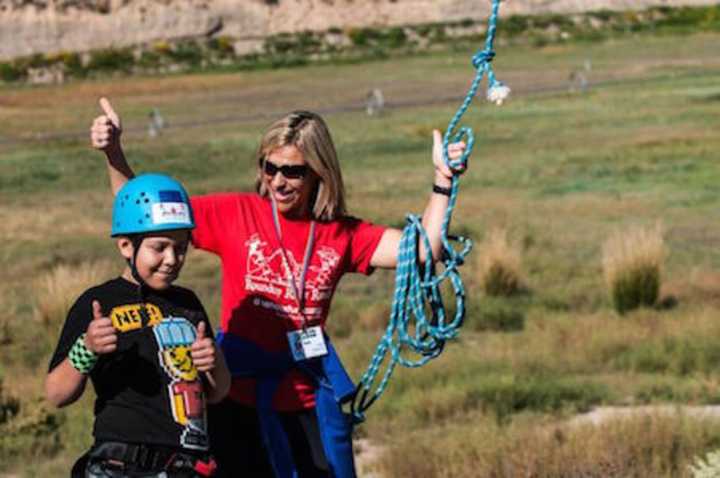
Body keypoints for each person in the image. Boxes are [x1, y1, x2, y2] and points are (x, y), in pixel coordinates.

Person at [90, 98, 467, 478]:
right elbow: (142, 215)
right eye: (270, 168)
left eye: (293, 172)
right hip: (233, 396)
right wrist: (113, 153)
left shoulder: (343, 234)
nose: (278, 181)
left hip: (309, 400)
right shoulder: (236, 213)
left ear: (319, 172)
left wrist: (443, 181)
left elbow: (423, 250)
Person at [45, 173, 231, 477]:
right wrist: (87, 348)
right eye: (159, 247)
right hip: (120, 465)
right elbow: (56, 394)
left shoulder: (189, 304)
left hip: (185, 466)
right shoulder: (98, 303)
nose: (172, 259)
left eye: (181, 247)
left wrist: (214, 361)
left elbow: (218, 392)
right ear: (126, 246)